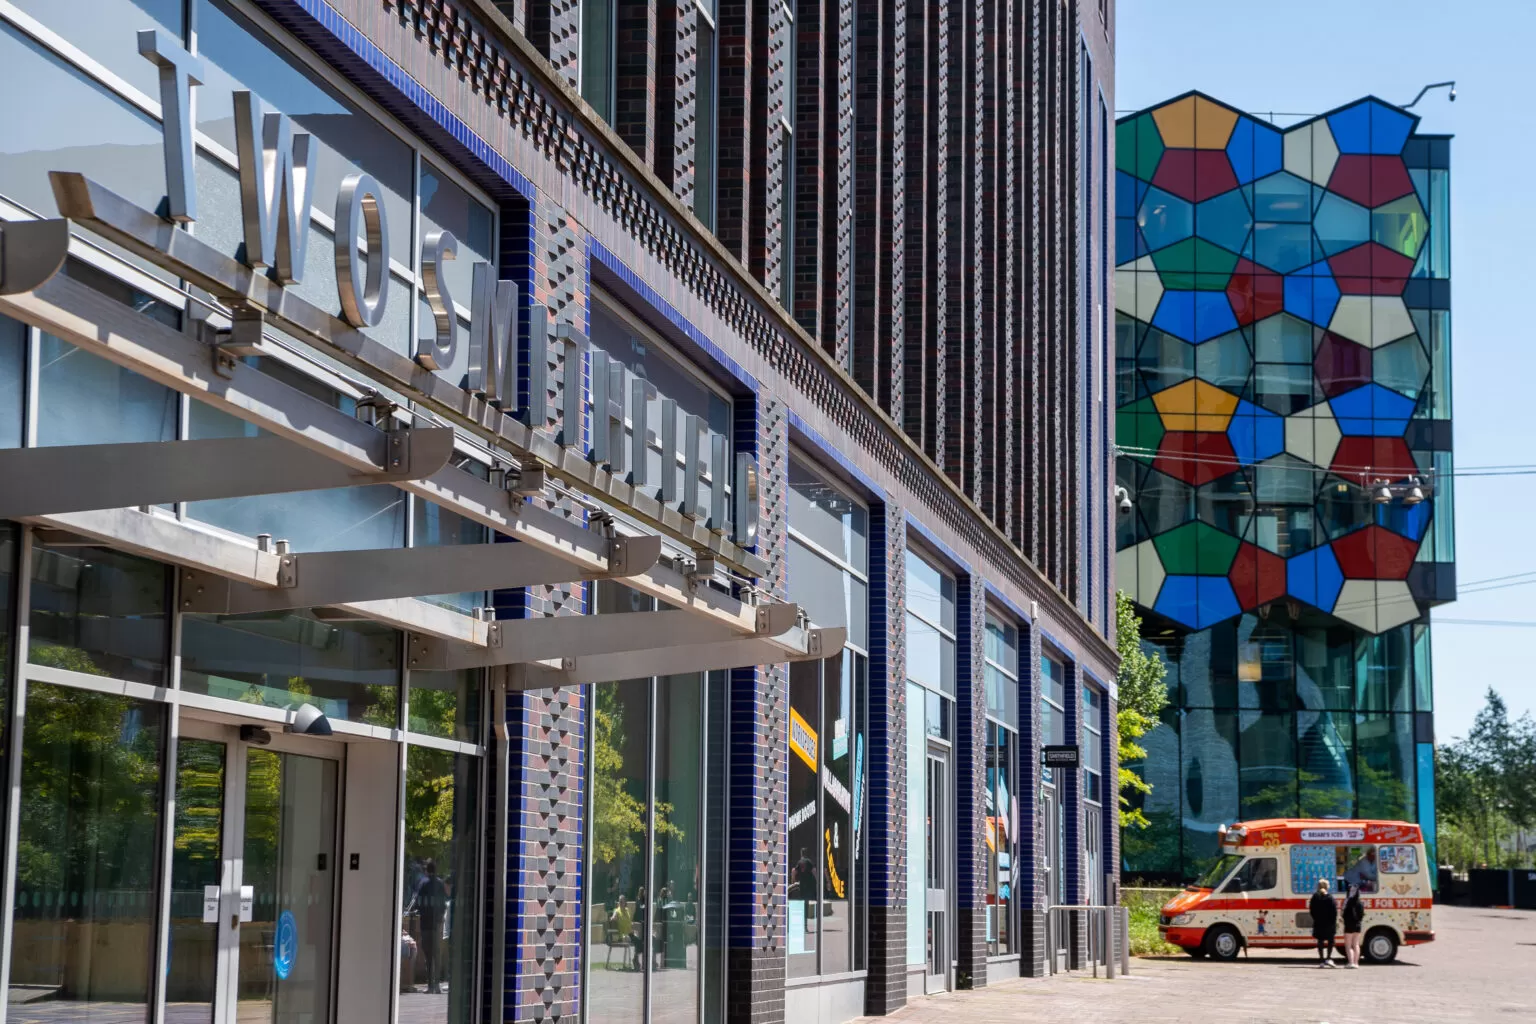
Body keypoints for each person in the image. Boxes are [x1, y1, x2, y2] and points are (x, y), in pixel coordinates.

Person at [409, 859, 450, 994]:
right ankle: (436, 985)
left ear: (427, 870)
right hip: (437, 923)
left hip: (426, 923)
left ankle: (430, 985)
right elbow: (444, 902)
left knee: (428, 953)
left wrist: (417, 910)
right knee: (436, 954)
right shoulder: (439, 883)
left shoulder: (423, 883)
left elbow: (418, 901)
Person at [1309, 878, 1339, 968]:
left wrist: (1316, 918)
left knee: (1320, 941)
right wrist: (1333, 921)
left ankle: (1321, 960)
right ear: (1327, 887)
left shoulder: (1315, 896)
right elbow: (1334, 911)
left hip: (1319, 922)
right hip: (1329, 923)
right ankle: (1328, 958)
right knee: (1331, 941)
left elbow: (1312, 910)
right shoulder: (1330, 897)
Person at [1341, 883, 1365, 968]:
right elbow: (1362, 915)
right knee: (1356, 944)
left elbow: (1342, 913)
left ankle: (1350, 962)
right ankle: (1356, 963)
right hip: (1358, 925)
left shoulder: (1347, 901)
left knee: (1348, 945)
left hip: (1348, 925)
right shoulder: (1360, 903)